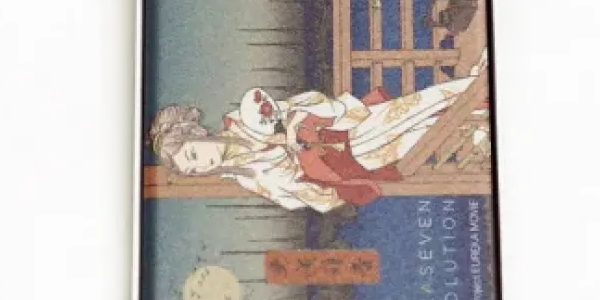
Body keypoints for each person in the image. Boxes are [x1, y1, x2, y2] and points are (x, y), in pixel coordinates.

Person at [148, 75, 489, 214]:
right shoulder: (247, 177)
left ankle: (477, 87)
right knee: (412, 138)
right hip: (340, 166)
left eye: (194, 154)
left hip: (340, 131)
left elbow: (305, 104)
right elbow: (301, 196)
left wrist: (295, 126)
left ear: (199, 134)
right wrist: (297, 162)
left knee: (402, 115)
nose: (202, 164)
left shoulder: (245, 116)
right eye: (194, 169)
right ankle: (474, 116)